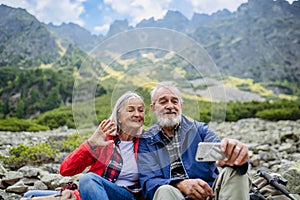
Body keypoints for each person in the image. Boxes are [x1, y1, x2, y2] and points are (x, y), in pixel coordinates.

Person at [22, 91, 145, 200]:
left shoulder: (147, 143)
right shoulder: (106, 140)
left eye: (140, 110)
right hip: (94, 193)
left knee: (88, 179)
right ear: (119, 117)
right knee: (29, 195)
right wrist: (90, 143)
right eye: (131, 110)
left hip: (125, 195)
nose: (137, 114)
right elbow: (66, 170)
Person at [137, 82, 251, 200]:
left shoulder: (201, 131)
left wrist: (236, 154)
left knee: (236, 172)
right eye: (163, 101)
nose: (170, 106)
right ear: (153, 108)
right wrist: (180, 184)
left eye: (175, 101)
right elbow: (148, 183)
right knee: (165, 190)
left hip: (209, 194)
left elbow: (224, 153)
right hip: (174, 195)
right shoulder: (146, 141)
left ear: (181, 106)